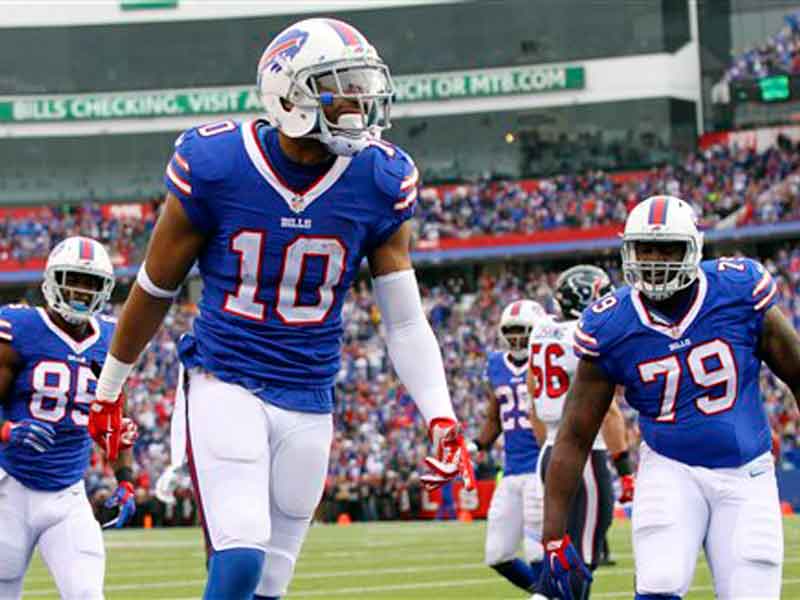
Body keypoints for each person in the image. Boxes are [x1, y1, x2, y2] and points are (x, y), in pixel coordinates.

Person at [90, 17, 474, 600]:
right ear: (289, 94)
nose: (358, 103)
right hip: (225, 379)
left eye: (361, 86)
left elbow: (402, 319)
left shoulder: (379, 177)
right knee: (240, 556)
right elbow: (156, 285)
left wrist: (440, 415)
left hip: (311, 395)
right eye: (340, 87)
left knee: (271, 584)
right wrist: (110, 388)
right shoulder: (218, 163)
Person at [538, 195, 798, 600]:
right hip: (670, 467)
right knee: (658, 585)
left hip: (747, 470)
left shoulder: (738, 291)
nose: (655, 260)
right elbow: (574, 435)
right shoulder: (611, 323)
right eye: (645, 249)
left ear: (693, 249)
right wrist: (553, 536)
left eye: (667, 249)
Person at [0, 237, 137, 599]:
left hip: (67, 494)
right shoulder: (18, 327)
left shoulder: (111, 339)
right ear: (52, 280)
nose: (80, 291)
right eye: (72, 279)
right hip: (8, 486)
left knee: (87, 594)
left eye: (90, 282)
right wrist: (7, 431)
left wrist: (125, 480)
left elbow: (114, 419)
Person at [527, 265, 634, 600]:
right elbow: (609, 412)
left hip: (549, 450)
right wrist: (625, 469)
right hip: (584, 453)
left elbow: (533, 399)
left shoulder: (541, 330)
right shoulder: (586, 335)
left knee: (560, 559)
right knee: (580, 562)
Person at [472, 299, 546, 593]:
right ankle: (550, 594)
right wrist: (477, 444)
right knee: (497, 553)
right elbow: (495, 416)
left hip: (541, 465)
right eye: (511, 331)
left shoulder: (547, 361)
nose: (516, 338)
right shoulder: (495, 364)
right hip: (512, 469)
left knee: (537, 549)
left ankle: (550, 594)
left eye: (522, 331)